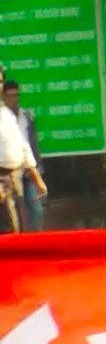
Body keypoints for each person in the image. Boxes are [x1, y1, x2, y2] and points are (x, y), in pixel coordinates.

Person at [0, 76, 45, 234]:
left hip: (21, 172)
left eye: (16, 95)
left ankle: (34, 250)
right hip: (4, 175)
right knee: (11, 220)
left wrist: (36, 175)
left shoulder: (18, 116)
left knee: (30, 214)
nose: (14, 99)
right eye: (10, 95)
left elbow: (25, 145)